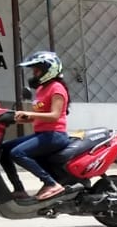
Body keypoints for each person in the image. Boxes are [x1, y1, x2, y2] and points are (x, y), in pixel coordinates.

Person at [6, 49, 72, 202]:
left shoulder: (57, 88)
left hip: (55, 135)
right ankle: (18, 189)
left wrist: (30, 115)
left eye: (37, 70)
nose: (34, 73)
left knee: (17, 153)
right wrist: (18, 118)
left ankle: (51, 184)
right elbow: (40, 116)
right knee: (4, 149)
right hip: (42, 134)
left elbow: (55, 115)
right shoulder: (42, 89)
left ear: (49, 70)